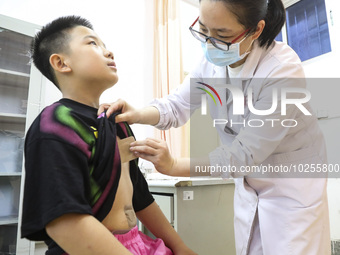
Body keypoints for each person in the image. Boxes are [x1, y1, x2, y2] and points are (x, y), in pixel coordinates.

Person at [99, 0, 331, 254]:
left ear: (256, 29)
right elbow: (178, 104)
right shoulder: (211, 63)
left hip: (291, 190)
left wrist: (175, 165)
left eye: (222, 35)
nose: (209, 43)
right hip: (248, 185)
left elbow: (243, 154)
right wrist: (138, 114)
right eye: (204, 29)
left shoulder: (282, 70)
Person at [21, 16, 197, 255]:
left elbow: (140, 196)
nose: (108, 52)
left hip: (137, 243)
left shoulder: (116, 122)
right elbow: (65, 223)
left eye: (104, 45)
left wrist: (180, 246)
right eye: (93, 44)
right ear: (61, 63)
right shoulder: (55, 124)